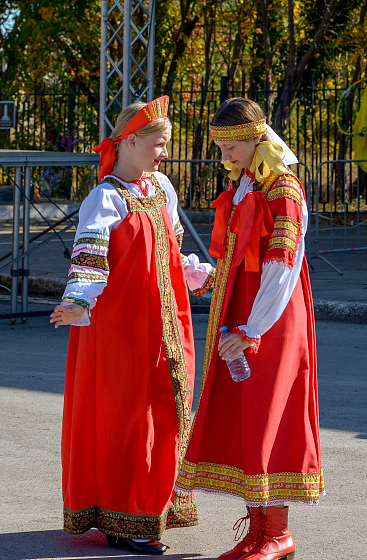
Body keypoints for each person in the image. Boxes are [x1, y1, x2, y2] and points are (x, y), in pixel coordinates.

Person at [50, 96, 213, 555]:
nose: (164, 153)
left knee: (165, 413)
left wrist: (201, 275)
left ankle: (152, 508)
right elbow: (90, 258)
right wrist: (77, 303)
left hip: (167, 322)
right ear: (132, 140)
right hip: (122, 329)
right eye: (159, 144)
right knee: (128, 421)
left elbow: (170, 251)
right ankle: (126, 519)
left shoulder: (161, 187)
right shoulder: (105, 198)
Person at [175, 98, 322, 560]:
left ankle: (278, 533)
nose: (225, 157)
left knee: (268, 416)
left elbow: (283, 263)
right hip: (242, 312)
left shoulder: (283, 188)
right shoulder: (246, 184)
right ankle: (258, 529)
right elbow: (239, 259)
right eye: (221, 147)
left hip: (271, 319)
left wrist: (253, 327)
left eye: (231, 146)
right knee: (244, 417)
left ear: (257, 137)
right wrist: (205, 277)